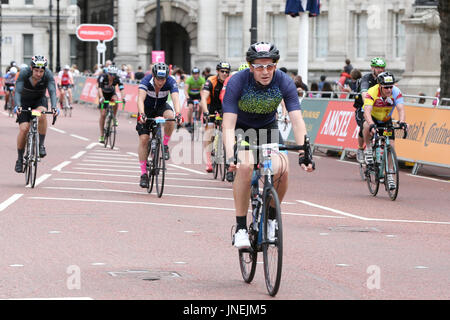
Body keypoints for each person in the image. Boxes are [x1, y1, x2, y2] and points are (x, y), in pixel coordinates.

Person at [222, 42, 314, 249]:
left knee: (282, 168)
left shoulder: (284, 82)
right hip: (242, 131)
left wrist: (303, 153)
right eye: (259, 67)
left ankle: (271, 218)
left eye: (270, 66)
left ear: (275, 65)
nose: (265, 72)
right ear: (250, 66)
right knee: (245, 166)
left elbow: (297, 121)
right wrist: (231, 155)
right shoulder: (237, 81)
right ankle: (241, 228)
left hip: (268, 130)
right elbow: (227, 125)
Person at [136, 62, 183, 188]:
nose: (161, 82)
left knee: (170, 116)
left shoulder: (170, 81)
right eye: (159, 78)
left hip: (161, 107)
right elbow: (140, 99)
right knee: (144, 139)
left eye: (163, 79)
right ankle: (143, 174)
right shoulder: (146, 80)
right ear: (154, 76)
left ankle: (165, 145)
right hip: (146, 109)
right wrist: (141, 114)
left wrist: (178, 114)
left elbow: (175, 98)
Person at [362, 71, 407, 190]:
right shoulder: (372, 91)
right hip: (373, 118)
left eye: (390, 86)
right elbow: (366, 112)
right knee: (366, 125)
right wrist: (372, 124)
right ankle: (368, 148)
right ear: (380, 86)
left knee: (391, 145)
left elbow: (401, 109)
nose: (388, 90)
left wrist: (402, 122)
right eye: (386, 87)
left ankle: (390, 175)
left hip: (386, 120)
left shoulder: (396, 92)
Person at [13, 55, 59, 173]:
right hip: (24, 101)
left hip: (39, 100)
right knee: (24, 129)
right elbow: (17, 91)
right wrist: (18, 106)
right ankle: (19, 159)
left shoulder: (48, 75)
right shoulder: (24, 73)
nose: (39, 74)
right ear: (31, 68)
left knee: (41, 113)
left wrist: (54, 107)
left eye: (41, 71)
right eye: (36, 71)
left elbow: (53, 92)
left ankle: (41, 145)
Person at [353, 57, 386, 163]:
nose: (380, 70)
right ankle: (361, 149)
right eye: (377, 67)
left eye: (382, 67)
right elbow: (364, 94)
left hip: (379, 109)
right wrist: (368, 104)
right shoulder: (366, 79)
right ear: (372, 68)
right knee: (365, 126)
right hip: (363, 107)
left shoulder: (385, 78)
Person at [200, 61, 231, 172]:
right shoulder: (211, 81)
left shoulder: (231, 81)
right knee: (209, 130)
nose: (224, 73)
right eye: (222, 71)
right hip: (211, 105)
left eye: (227, 72)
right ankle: (209, 161)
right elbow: (204, 98)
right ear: (217, 71)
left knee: (228, 130)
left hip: (224, 105)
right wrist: (206, 112)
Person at [96, 65, 125, 143]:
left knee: (116, 100)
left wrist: (123, 98)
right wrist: (101, 97)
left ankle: (114, 117)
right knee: (103, 115)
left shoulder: (117, 78)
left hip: (111, 93)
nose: (112, 76)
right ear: (108, 73)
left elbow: (122, 89)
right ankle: (102, 135)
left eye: (114, 75)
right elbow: (99, 88)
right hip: (103, 94)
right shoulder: (103, 77)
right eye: (111, 74)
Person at [184, 67, 206, 132]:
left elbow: (203, 90)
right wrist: (188, 97)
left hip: (198, 95)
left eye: (197, 74)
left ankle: (198, 118)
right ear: (192, 74)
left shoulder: (202, 80)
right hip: (190, 95)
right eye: (194, 74)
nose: (195, 75)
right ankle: (189, 122)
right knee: (190, 108)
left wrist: (202, 98)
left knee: (201, 105)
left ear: (199, 74)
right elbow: (185, 90)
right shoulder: (189, 80)